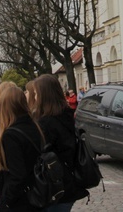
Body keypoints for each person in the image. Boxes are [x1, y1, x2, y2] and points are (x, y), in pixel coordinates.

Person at [32, 75, 89, 211]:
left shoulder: (46, 122)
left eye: (35, 93)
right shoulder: (67, 115)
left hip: (52, 185)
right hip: (69, 182)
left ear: (43, 95)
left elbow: (40, 154)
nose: (34, 97)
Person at [0, 82, 43, 211]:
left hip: (19, 199)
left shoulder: (10, 134)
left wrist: (5, 203)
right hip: (35, 191)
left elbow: (17, 175)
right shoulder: (35, 125)